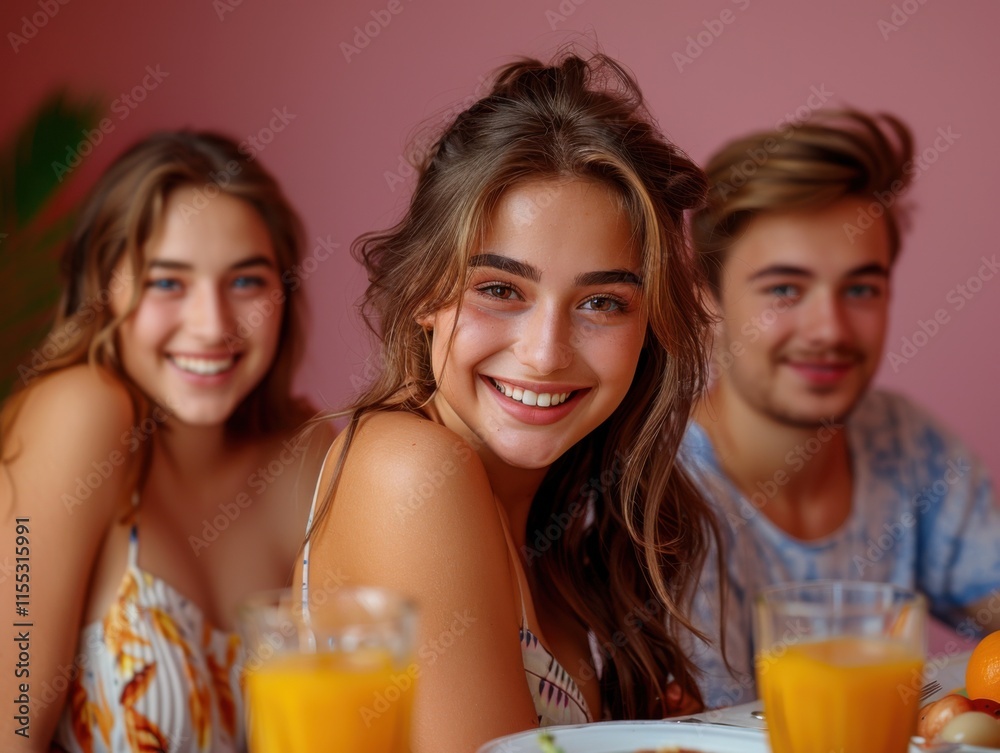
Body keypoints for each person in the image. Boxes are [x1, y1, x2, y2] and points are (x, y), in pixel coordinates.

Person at [298, 51, 722, 752]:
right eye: (500, 289)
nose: (546, 351)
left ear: (649, 328)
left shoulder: (555, 533)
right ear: (425, 292)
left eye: (600, 302)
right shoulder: (410, 469)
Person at [0, 131, 329, 751]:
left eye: (246, 282)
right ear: (103, 291)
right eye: (167, 283)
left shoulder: (305, 459)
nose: (211, 325)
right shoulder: (82, 414)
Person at [682, 109, 1000, 708]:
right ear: (707, 299)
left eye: (860, 289)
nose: (829, 329)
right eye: (784, 289)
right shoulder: (653, 499)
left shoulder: (905, 442)